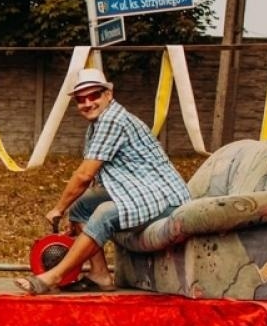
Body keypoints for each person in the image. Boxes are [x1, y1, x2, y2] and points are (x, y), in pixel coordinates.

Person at [16, 68, 189, 295]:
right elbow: (98, 178)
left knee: (104, 213)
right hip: (139, 190)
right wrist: (74, 215)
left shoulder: (113, 121)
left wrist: (58, 208)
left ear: (108, 94)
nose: (87, 103)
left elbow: (84, 175)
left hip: (165, 198)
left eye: (94, 95)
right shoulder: (98, 124)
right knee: (82, 207)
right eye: (81, 99)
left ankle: (53, 276)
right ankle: (100, 275)